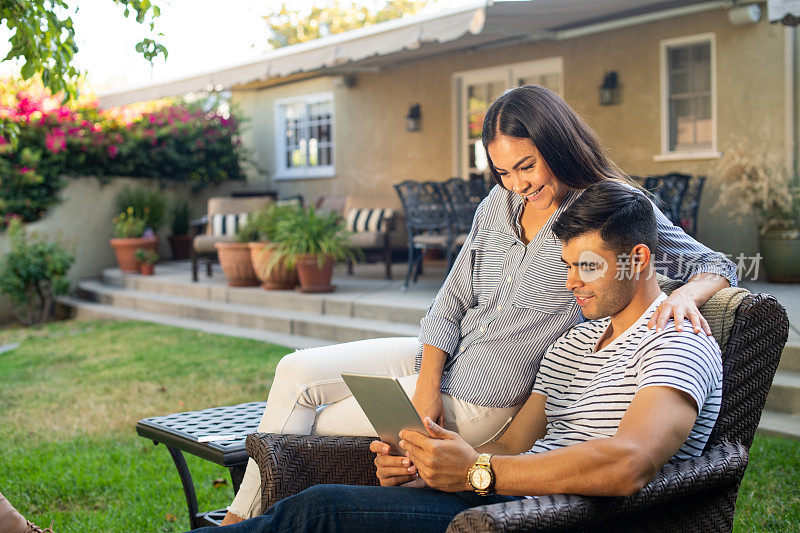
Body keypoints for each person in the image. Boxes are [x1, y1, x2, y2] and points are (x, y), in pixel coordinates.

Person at [220, 85, 736, 525]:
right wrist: (426, 391)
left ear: (557, 144)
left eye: (526, 166)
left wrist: (684, 297)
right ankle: (239, 522)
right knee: (296, 371)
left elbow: (717, 264)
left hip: (490, 390)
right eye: (503, 171)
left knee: (319, 421)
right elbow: (450, 301)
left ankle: (263, 517)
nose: (518, 184)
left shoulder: (611, 212)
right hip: (447, 363)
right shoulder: (501, 204)